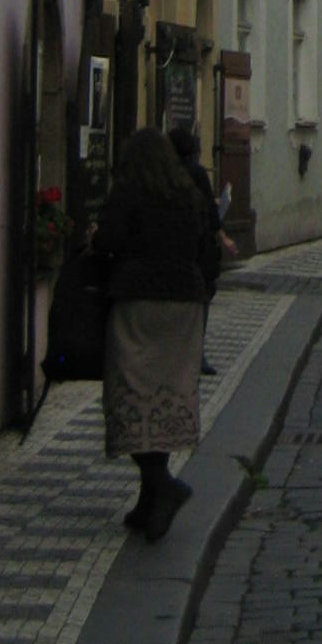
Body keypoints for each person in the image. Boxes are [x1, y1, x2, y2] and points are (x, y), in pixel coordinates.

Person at [94, 127, 220, 542]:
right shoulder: (188, 194)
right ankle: (150, 501)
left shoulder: (128, 192)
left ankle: (163, 485)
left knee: (131, 394)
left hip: (139, 302)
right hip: (184, 305)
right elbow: (206, 249)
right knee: (166, 394)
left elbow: (107, 241)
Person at [168, 125, 228, 377]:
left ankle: (175, 354)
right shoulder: (197, 173)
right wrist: (222, 235)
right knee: (200, 303)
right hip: (197, 249)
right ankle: (197, 355)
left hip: (173, 250)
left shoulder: (163, 173)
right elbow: (211, 213)